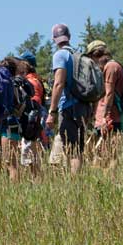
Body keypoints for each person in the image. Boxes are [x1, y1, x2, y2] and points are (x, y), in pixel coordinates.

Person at [46, 24, 87, 173]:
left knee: (71, 150)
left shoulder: (60, 55)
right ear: (69, 37)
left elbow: (59, 83)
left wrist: (52, 111)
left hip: (69, 107)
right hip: (83, 105)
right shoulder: (79, 54)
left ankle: (75, 185)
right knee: (78, 148)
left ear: (54, 39)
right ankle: (78, 180)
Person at [88, 40, 123, 150]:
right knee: (102, 156)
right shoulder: (109, 67)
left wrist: (105, 117)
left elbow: (109, 93)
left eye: (91, 58)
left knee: (107, 156)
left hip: (110, 121)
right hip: (105, 120)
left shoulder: (111, 67)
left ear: (96, 54)